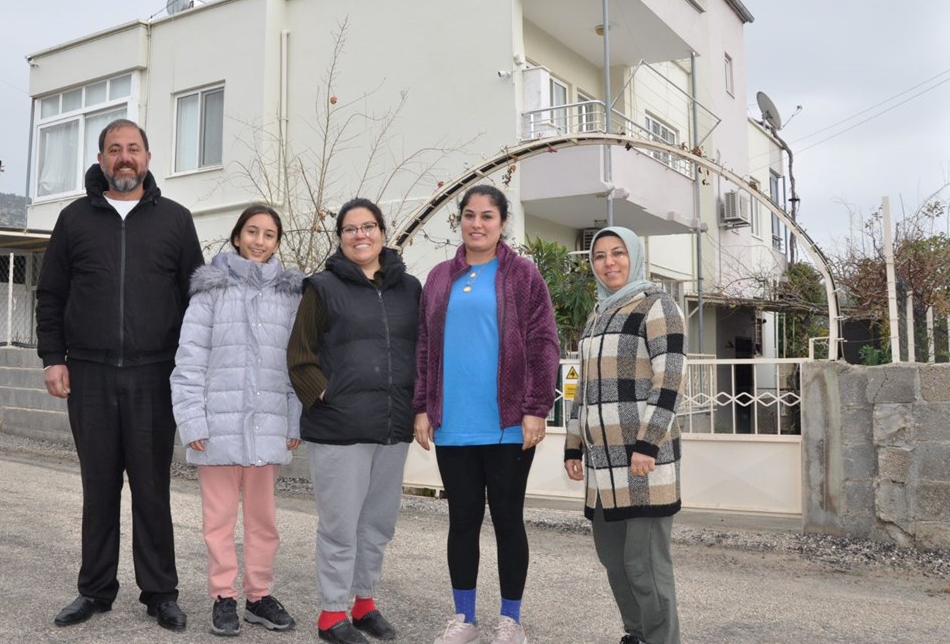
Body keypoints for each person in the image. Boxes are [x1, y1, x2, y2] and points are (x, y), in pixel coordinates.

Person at [36, 119, 203, 632]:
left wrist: (192, 367)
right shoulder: (73, 220)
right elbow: (50, 294)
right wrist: (53, 357)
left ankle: (160, 593)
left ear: (148, 158)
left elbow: (198, 298)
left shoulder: (176, 220)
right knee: (99, 486)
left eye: (133, 149)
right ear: (102, 158)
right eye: (115, 149)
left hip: (156, 375)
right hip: (89, 374)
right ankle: (95, 591)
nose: (124, 157)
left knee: (152, 488)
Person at [413, 184, 560, 644]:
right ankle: (464, 619)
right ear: (459, 220)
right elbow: (423, 347)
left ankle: (510, 620)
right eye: (470, 215)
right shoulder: (438, 277)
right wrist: (422, 405)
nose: (477, 224)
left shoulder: (523, 275)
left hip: (508, 423)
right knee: (462, 521)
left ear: (502, 223)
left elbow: (543, 345)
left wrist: (536, 408)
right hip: (453, 423)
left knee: (508, 520)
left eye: (488, 216)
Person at [287, 198, 421, 644]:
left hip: (391, 425)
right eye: (350, 229)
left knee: (377, 523)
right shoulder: (321, 287)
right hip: (339, 429)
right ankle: (330, 615)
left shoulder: (410, 289)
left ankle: (363, 603)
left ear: (383, 232)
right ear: (340, 237)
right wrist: (327, 395)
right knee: (340, 526)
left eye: (368, 227)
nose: (360, 235)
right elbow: (300, 356)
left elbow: (421, 352)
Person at [170, 205, 303, 637]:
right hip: (217, 429)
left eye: (269, 234)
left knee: (264, 521)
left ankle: (259, 596)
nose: (260, 241)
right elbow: (189, 360)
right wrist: (192, 422)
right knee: (219, 521)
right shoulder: (210, 291)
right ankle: (223, 597)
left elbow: (296, 365)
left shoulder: (290, 296)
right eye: (252, 231)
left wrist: (292, 422)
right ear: (237, 236)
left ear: (277, 242)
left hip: (268, 427)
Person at [563, 226, 686, 644]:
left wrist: (648, 443)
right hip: (602, 466)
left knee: (644, 565)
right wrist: (573, 444)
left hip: (641, 461)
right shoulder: (597, 315)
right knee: (614, 561)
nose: (609, 262)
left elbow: (668, 379)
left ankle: (661, 639)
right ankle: (636, 634)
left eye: (618, 253)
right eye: (599, 256)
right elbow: (581, 389)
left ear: (634, 256)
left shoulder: (657, 305)